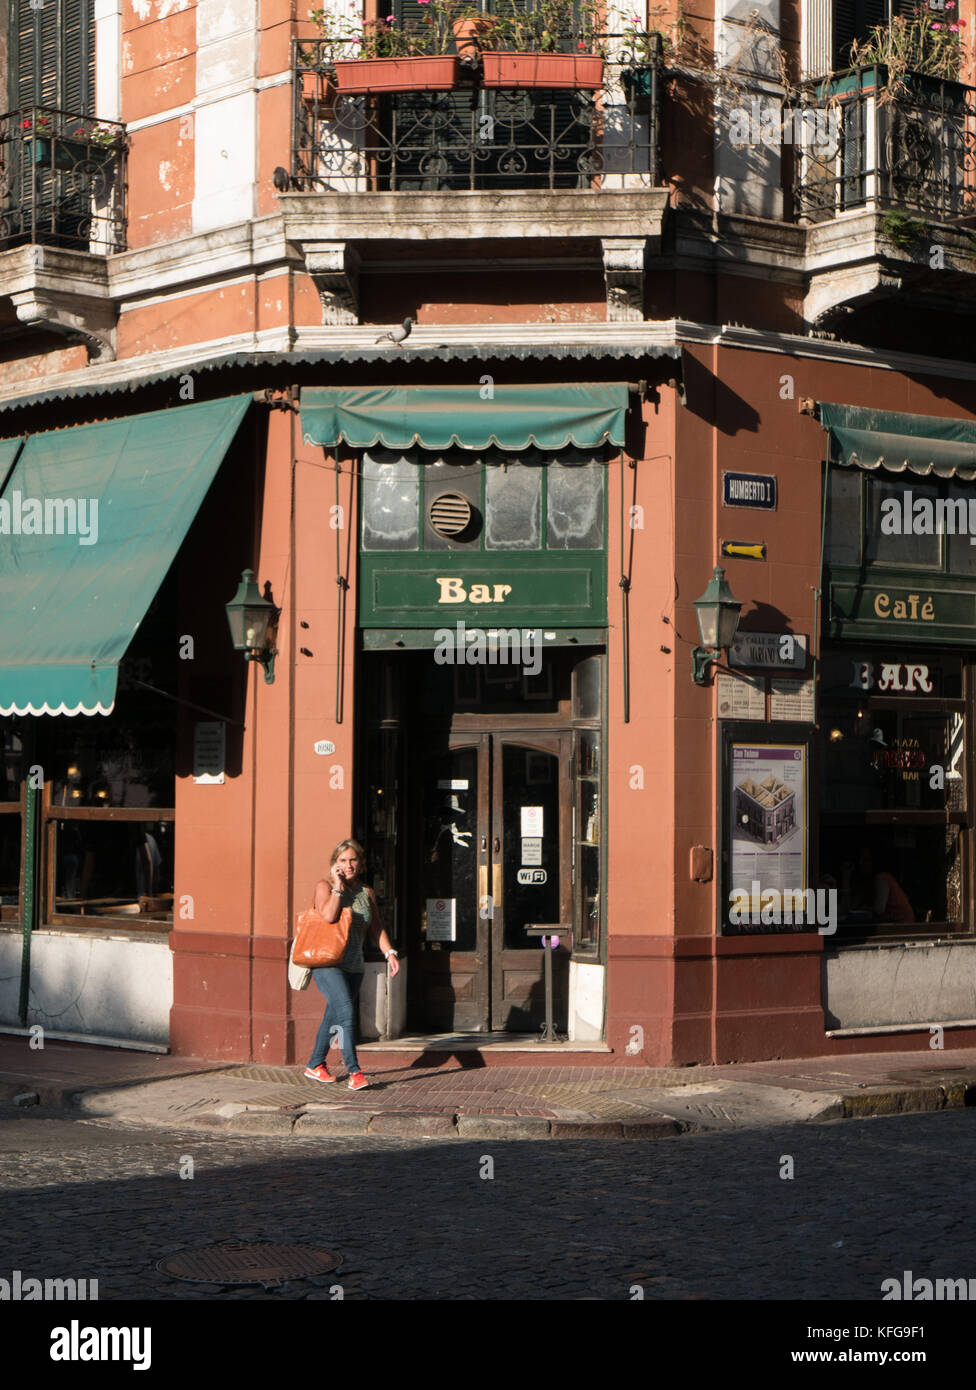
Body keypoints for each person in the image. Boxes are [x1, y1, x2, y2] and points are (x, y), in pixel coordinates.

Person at [303, 839, 399, 1090]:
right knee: (345, 1010)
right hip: (328, 963)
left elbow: (376, 926)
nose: (348, 865)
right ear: (335, 864)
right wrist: (337, 886)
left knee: (332, 1016)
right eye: (342, 860)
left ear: (361, 863)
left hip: (354, 965)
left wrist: (389, 952)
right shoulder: (324, 886)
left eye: (352, 860)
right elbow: (328, 915)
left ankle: (315, 1064)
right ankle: (355, 1072)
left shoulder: (365, 892)